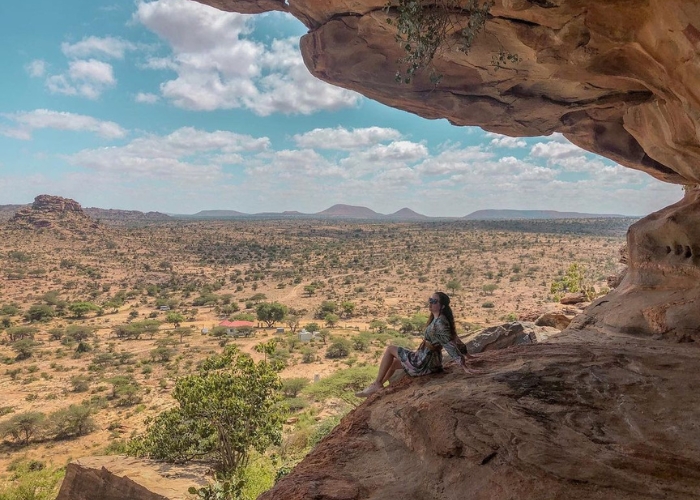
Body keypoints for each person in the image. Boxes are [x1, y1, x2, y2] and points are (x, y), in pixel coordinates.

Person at [356, 291, 477, 398]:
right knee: (392, 364)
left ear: (442, 306)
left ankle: (377, 384)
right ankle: (378, 385)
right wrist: (467, 354)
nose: (430, 303)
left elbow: (449, 344)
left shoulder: (440, 323)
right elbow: (455, 337)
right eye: (430, 300)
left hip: (423, 363)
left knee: (390, 349)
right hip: (430, 362)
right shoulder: (439, 319)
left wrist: (463, 365)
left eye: (434, 301)